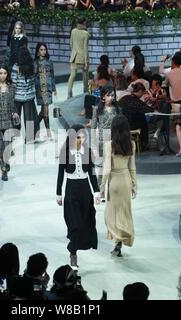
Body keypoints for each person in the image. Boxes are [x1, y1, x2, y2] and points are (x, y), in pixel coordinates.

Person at [56, 125, 100, 267]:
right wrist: (58, 193)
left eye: (82, 136)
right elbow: (60, 174)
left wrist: (97, 191)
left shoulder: (87, 152)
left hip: (85, 190)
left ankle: (80, 245)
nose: (80, 139)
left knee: (85, 221)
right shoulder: (65, 153)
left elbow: (92, 173)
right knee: (74, 223)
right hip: (71, 190)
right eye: (77, 136)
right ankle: (73, 253)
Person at [100, 115, 137, 257]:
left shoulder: (109, 145)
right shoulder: (131, 144)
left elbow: (107, 168)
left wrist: (102, 186)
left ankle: (117, 240)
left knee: (111, 214)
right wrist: (134, 185)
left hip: (114, 182)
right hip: (126, 180)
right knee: (124, 212)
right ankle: (120, 240)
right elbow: (132, 167)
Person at [0, 64, 18, 181]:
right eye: (0, 73)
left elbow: (13, 104)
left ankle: (6, 166)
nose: (3, 75)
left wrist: (15, 113)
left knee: (6, 148)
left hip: (8, 121)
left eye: (5, 73)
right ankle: (3, 171)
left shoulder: (12, 87)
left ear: (8, 74)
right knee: (1, 148)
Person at [11, 46, 38, 143]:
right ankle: (30, 138)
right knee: (29, 118)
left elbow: (14, 84)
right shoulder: (32, 66)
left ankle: (14, 136)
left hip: (17, 96)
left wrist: (11, 96)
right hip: (29, 96)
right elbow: (33, 81)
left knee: (15, 116)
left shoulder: (15, 67)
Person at [120, 82, 153, 150]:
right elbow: (149, 109)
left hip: (121, 124)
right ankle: (143, 144)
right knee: (143, 120)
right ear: (140, 91)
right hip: (132, 125)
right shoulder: (137, 102)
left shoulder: (124, 98)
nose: (142, 95)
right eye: (143, 93)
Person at [34, 42, 56, 140]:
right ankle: (48, 133)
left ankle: (35, 127)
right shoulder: (35, 62)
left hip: (48, 88)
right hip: (40, 89)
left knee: (44, 111)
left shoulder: (49, 61)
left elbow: (52, 75)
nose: (43, 51)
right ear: (38, 51)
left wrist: (54, 88)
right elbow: (34, 76)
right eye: (41, 50)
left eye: (44, 49)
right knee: (45, 111)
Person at [92, 87, 120, 158]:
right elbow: (93, 128)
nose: (111, 98)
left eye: (112, 95)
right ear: (103, 96)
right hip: (103, 141)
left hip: (115, 140)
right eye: (108, 95)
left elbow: (121, 126)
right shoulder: (97, 109)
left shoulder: (117, 109)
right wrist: (94, 146)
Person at [67, 16, 90, 99]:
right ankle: (85, 92)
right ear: (84, 23)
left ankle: (69, 93)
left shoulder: (73, 31)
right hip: (82, 58)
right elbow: (85, 48)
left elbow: (71, 44)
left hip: (73, 57)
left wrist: (74, 51)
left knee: (72, 75)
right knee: (85, 76)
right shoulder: (86, 34)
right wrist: (86, 61)